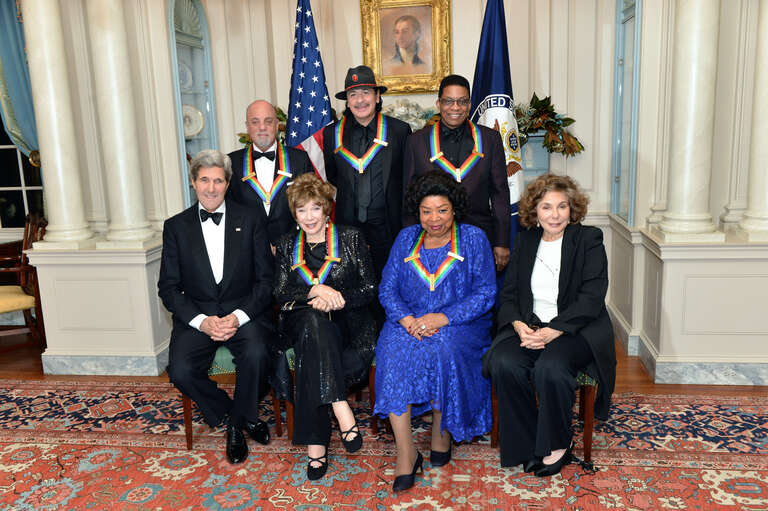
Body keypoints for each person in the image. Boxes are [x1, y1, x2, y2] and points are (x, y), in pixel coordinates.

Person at [482, 174, 617, 477]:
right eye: (546, 207)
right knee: (504, 362)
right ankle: (527, 442)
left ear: (572, 209)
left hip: (576, 329)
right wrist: (518, 325)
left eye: (562, 207)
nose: (554, 215)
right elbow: (511, 293)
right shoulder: (526, 240)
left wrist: (554, 330)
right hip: (530, 326)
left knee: (550, 368)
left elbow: (592, 296)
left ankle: (558, 442)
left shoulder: (588, 239)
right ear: (535, 211)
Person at [374, 171, 496, 492]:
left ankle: (441, 432)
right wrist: (406, 320)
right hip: (409, 321)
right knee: (393, 352)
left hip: (461, 323)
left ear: (454, 208)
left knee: (443, 348)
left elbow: (485, 293)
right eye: (426, 211)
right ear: (417, 211)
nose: (434, 219)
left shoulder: (473, 238)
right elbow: (387, 290)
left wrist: (442, 317)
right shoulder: (405, 238)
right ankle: (406, 453)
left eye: (442, 210)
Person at [158, 149, 274, 464]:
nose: (211, 188)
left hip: (244, 313)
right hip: (198, 316)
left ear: (227, 183)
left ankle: (235, 428)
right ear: (193, 182)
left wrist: (237, 318)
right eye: (205, 180)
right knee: (180, 371)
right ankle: (238, 413)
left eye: (218, 181)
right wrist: (202, 321)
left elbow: (266, 281)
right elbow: (168, 287)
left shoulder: (250, 219)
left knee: (258, 354)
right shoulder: (176, 227)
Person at [273, 173, 377, 480]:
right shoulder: (285, 243)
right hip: (299, 320)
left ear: (327, 208)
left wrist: (338, 297)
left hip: (347, 323)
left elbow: (371, 288)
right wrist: (315, 291)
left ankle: (316, 447)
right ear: (294, 213)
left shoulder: (351, 237)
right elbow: (279, 292)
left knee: (312, 349)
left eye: (314, 208)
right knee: (312, 324)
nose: (308, 217)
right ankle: (339, 404)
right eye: (301, 210)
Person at [403, 74, 511, 273]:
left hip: (480, 235)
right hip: (431, 239)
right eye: (449, 101)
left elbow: (500, 194)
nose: (455, 108)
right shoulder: (416, 141)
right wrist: (409, 241)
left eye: (462, 101)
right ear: (439, 103)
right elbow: (408, 196)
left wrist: (502, 241)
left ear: (470, 104)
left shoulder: (490, 139)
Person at [323, 65, 412, 280]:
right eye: (353, 94)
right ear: (347, 100)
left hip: (388, 225)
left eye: (366, 92)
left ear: (378, 96)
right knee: (353, 281)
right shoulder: (332, 134)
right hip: (349, 225)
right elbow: (333, 175)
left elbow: (407, 178)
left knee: (390, 280)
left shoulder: (400, 131)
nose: (360, 100)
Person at [227, 100, 314, 250]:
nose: (262, 127)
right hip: (249, 252)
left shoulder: (299, 160)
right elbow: (230, 211)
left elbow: (312, 205)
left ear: (276, 125)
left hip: (293, 251)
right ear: (247, 126)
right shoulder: (232, 163)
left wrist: (285, 244)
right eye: (255, 122)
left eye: (268, 121)